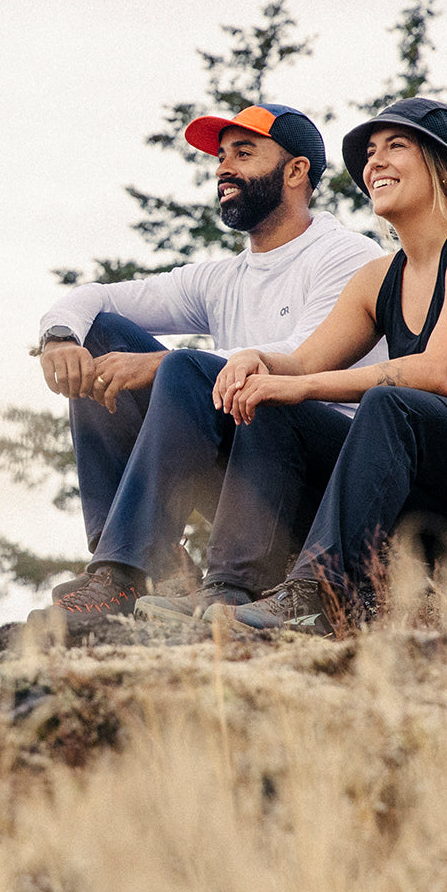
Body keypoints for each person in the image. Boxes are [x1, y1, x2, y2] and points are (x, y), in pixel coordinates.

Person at [188, 97, 447, 635]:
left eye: (396, 146)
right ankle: (230, 587)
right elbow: (301, 364)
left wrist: (298, 386)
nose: (374, 162)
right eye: (369, 152)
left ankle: (324, 595)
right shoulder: (378, 278)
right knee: (277, 405)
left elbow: (437, 375)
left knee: (392, 401)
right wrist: (258, 360)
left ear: (445, 166)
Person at [31, 103, 385, 631]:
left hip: (322, 482)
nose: (223, 168)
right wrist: (60, 339)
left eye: (244, 153)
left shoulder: (347, 255)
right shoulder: (222, 279)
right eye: (220, 156)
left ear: (296, 171)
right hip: (249, 477)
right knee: (100, 335)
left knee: (186, 370)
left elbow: (299, 360)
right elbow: (97, 297)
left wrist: (162, 366)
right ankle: (140, 570)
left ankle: (127, 570)